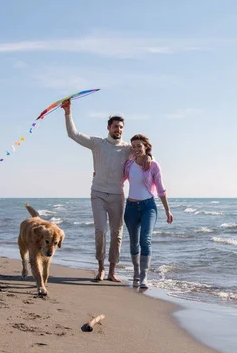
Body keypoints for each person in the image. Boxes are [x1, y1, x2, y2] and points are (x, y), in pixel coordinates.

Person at [62, 99, 149, 282]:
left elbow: (144, 152)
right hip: (98, 193)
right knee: (101, 230)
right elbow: (73, 134)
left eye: (121, 127)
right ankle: (100, 269)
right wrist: (68, 111)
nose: (119, 130)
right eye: (116, 126)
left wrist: (150, 157)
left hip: (117, 195)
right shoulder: (98, 144)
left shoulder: (128, 149)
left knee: (117, 234)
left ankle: (111, 271)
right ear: (108, 127)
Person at [123, 134, 173, 288]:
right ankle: (136, 273)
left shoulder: (153, 165)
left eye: (139, 146)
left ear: (145, 147)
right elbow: (118, 178)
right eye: (134, 146)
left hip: (148, 207)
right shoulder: (129, 165)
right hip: (131, 208)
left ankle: (144, 277)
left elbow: (161, 190)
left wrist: (167, 211)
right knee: (133, 243)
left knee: (145, 239)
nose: (137, 149)